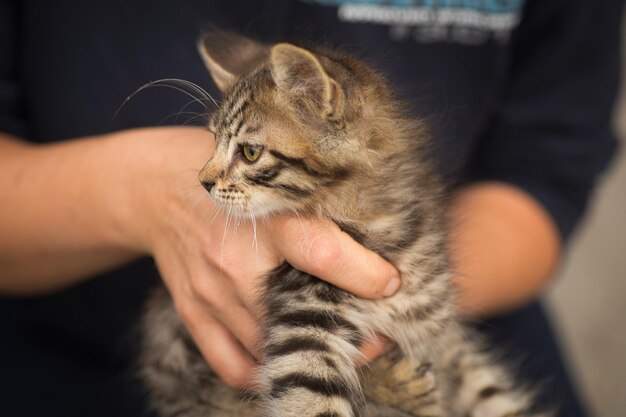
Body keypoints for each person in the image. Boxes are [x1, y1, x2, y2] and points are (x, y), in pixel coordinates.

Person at [0, 1, 622, 416]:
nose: (209, 177)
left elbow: (544, 168)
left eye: (242, 152)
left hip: (471, 309)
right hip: (64, 362)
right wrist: (142, 193)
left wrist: (401, 307)